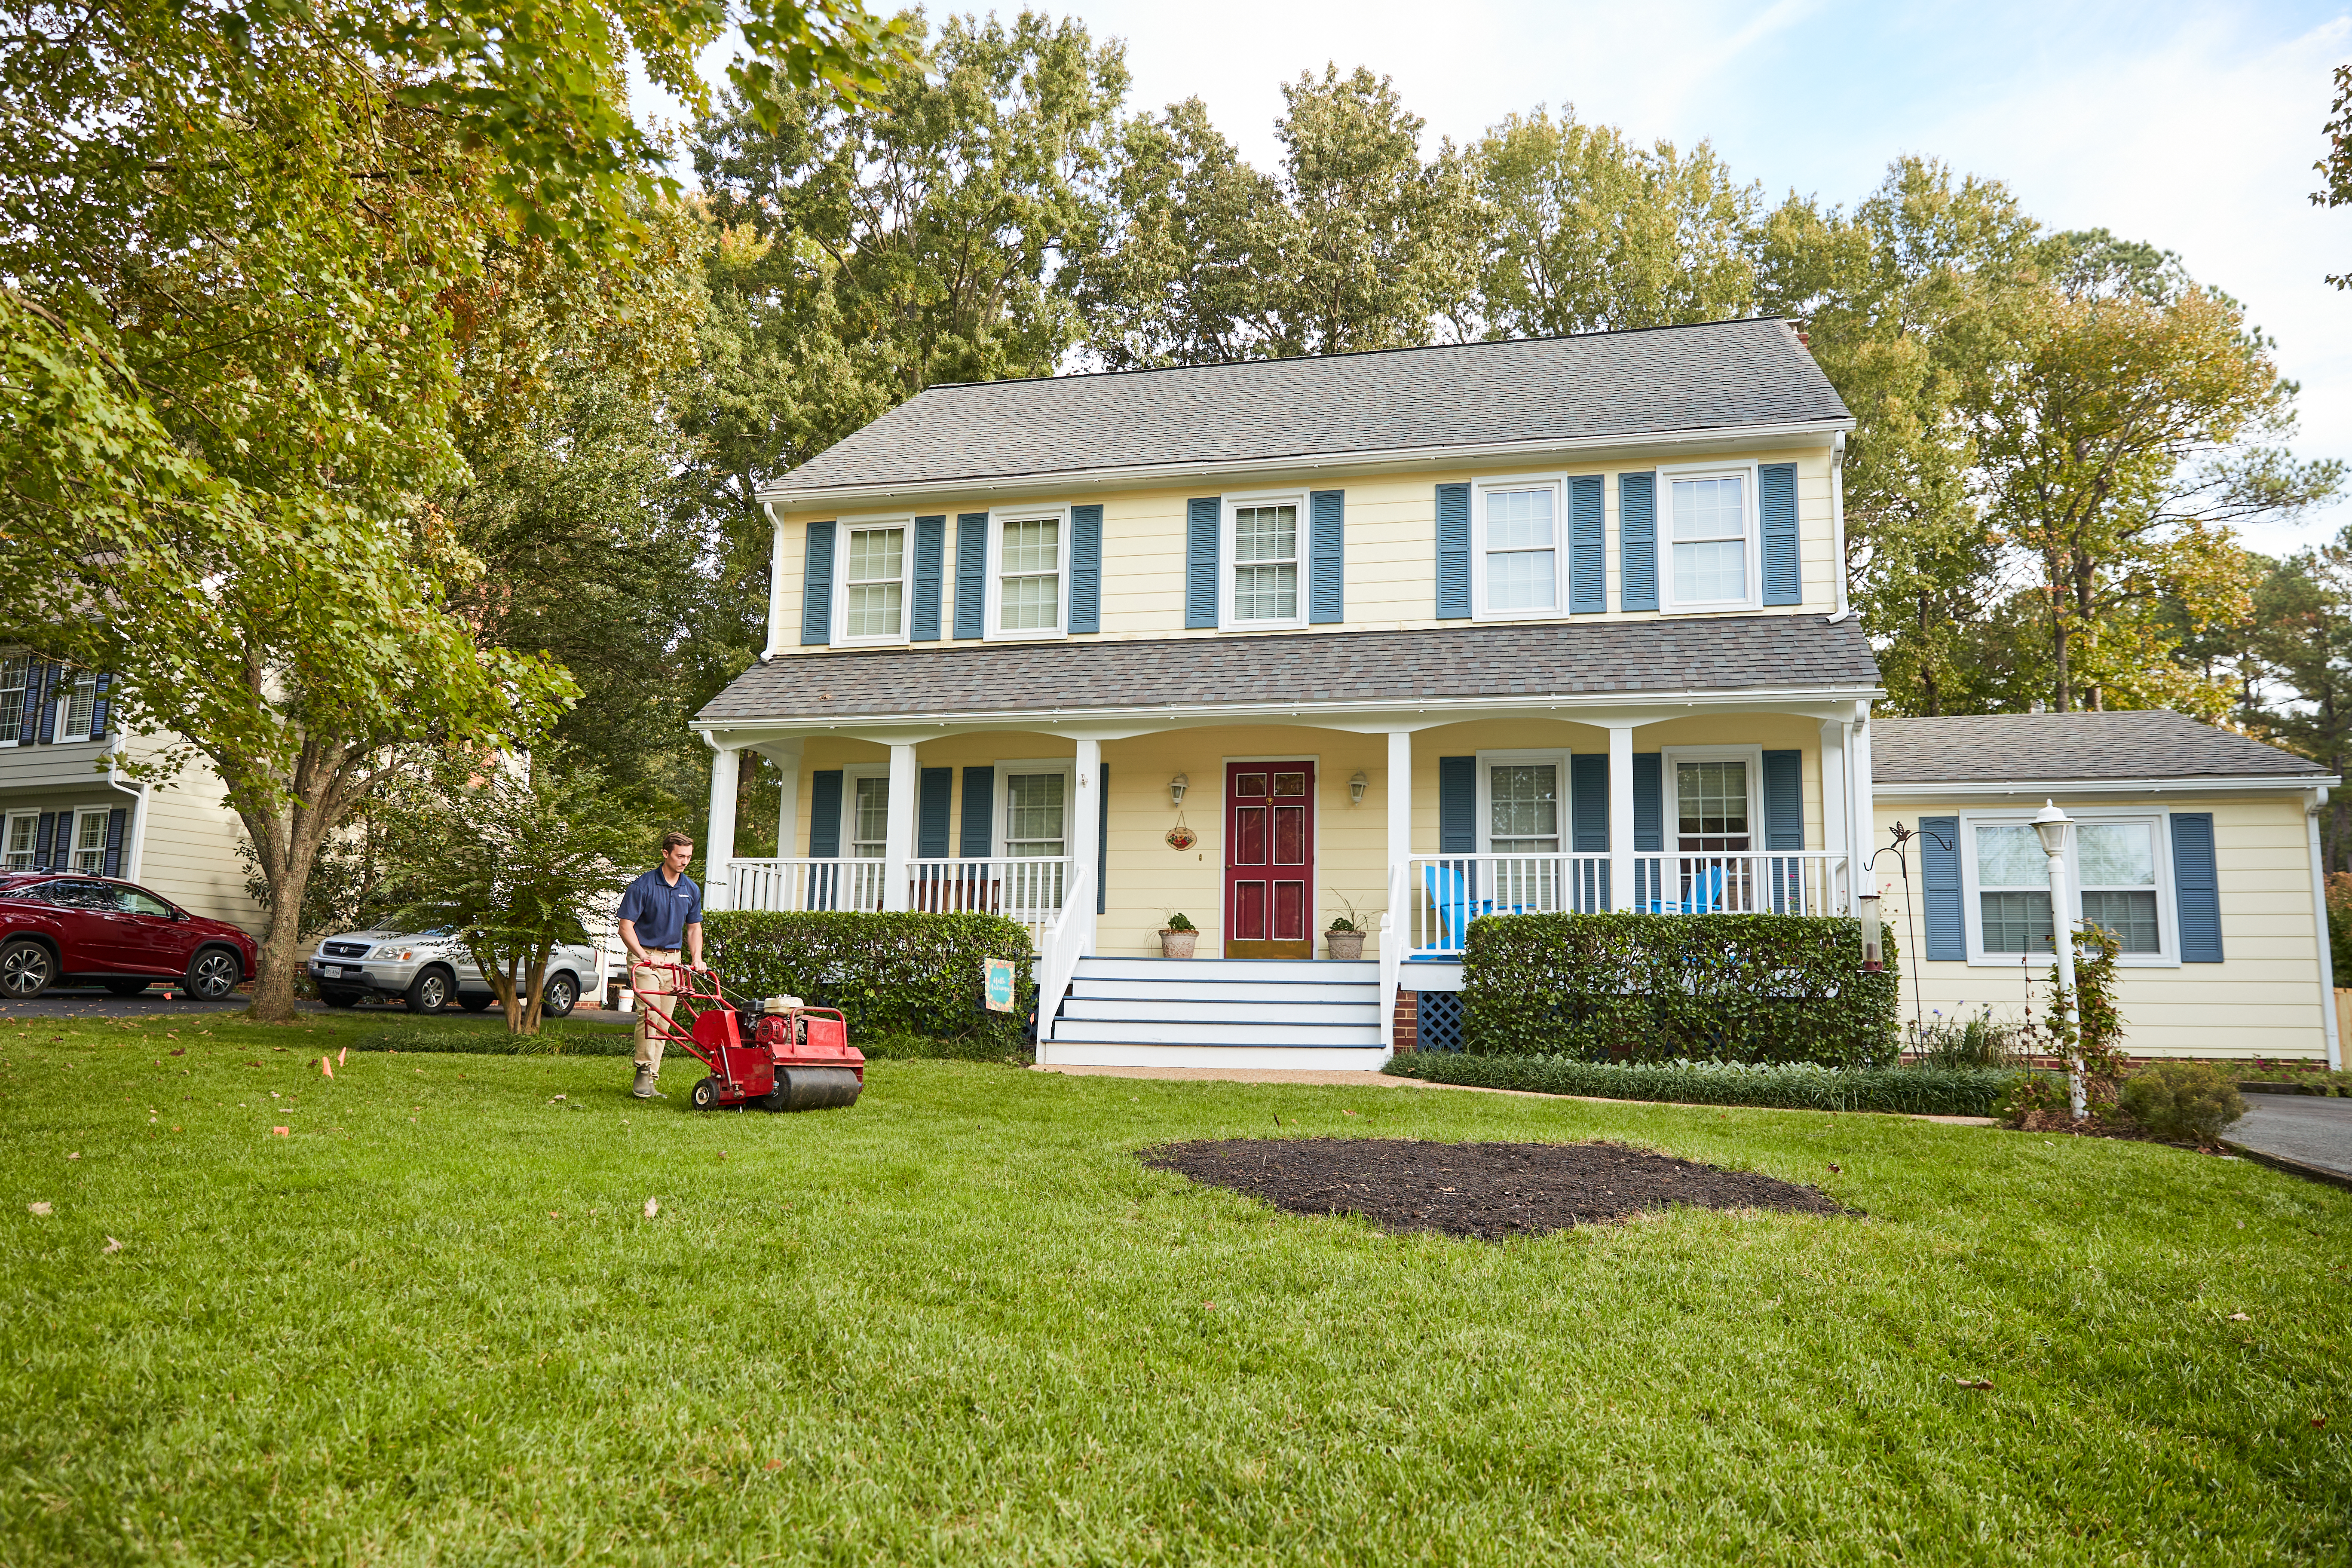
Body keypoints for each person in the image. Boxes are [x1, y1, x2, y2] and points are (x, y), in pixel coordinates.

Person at [615, 831, 705, 1099]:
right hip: (645, 959)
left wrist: (697, 958)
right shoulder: (643, 886)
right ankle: (642, 1072)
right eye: (680, 856)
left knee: (665, 1022)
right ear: (666, 854)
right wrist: (643, 955)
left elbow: (694, 928)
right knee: (650, 1014)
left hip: (674, 961)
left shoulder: (691, 889)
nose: (685, 861)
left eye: (689, 857)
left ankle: (652, 1077)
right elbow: (626, 927)